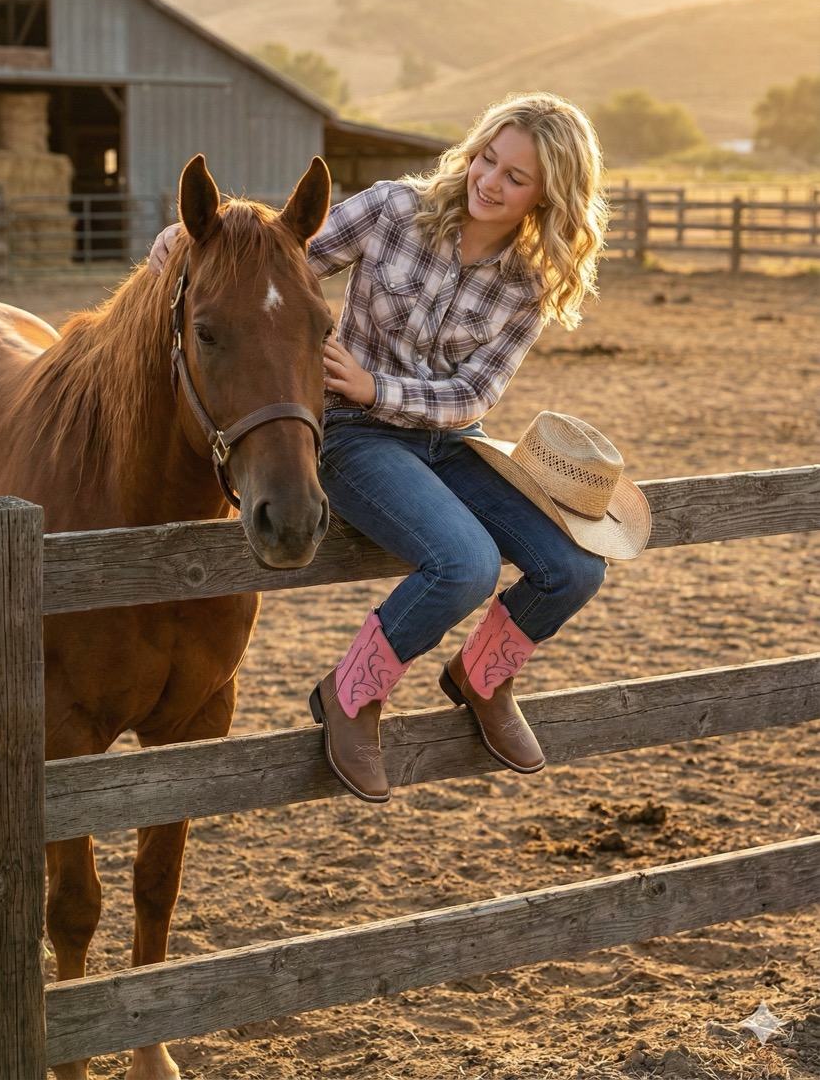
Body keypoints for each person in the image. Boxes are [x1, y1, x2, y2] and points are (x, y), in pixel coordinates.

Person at [149, 91, 650, 805]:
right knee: (465, 564)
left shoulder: (529, 282)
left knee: (573, 568)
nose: (488, 181)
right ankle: (352, 695)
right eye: (487, 158)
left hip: (451, 437)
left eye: (515, 177)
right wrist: (188, 243)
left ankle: (482, 677)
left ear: (548, 196)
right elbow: (271, 262)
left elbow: (475, 394)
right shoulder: (391, 210)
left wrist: (377, 384)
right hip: (350, 433)